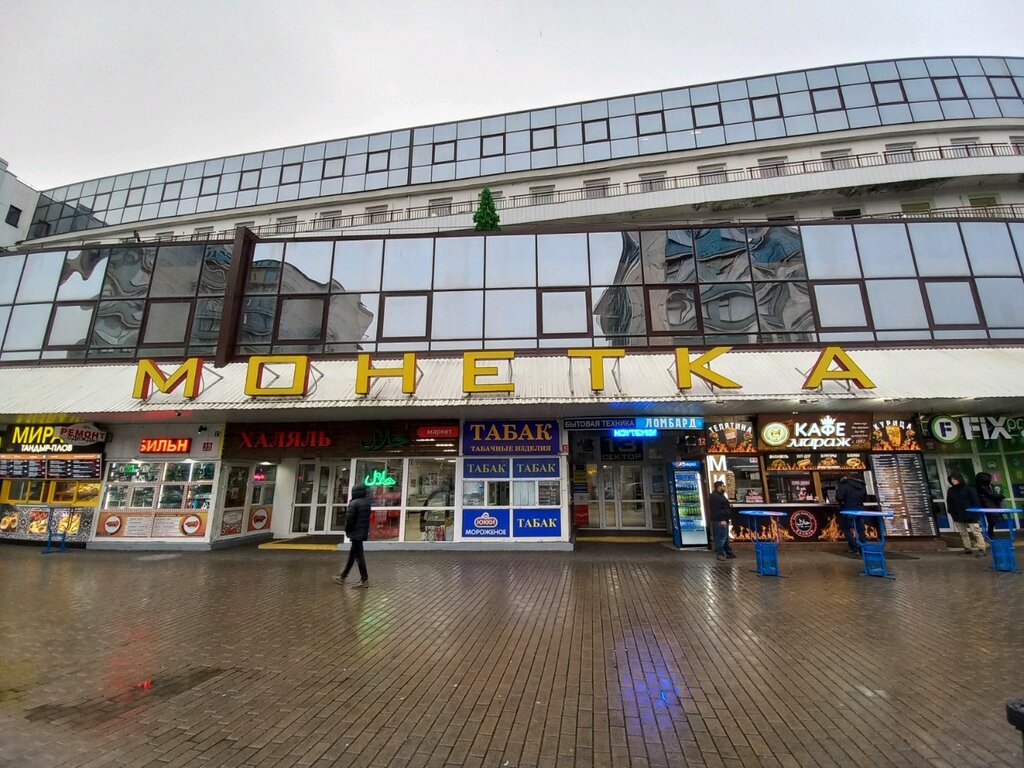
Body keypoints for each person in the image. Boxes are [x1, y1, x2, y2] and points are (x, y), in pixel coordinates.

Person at [333, 484, 371, 588]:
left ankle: (364, 580)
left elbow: (349, 520)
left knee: (359, 556)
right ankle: (343, 576)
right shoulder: (366, 502)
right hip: (361, 532)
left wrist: (348, 530)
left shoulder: (354, 503)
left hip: (355, 533)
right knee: (352, 555)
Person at [945, 474, 984, 556]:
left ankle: (982, 548)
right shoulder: (951, 490)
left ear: (959, 479)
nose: (953, 481)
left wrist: (975, 511)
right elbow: (949, 502)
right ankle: (967, 547)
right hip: (958, 515)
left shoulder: (969, 489)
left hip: (971, 514)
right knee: (963, 533)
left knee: (976, 532)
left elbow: (976, 501)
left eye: (954, 479)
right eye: (951, 479)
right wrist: (951, 512)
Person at [835, 475, 867, 555]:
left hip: (848, 509)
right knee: (860, 529)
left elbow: (839, 497)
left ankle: (854, 547)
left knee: (846, 528)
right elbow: (865, 498)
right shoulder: (861, 485)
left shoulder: (844, 484)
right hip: (860, 509)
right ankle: (863, 547)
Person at [708, 481, 735, 561]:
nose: (724, 487)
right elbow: (717, 510)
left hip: (722, 519)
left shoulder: (719, 495)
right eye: (723, 486)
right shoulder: (715, 497)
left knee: (725, 537)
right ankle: (720, 554)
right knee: (721, 538)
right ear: (719, 487)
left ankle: (728, 552)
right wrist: (722, 519)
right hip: (719, 520)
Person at [974, 471, 1005, 540]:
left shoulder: (988, 486)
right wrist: (1001, 496)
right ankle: (989, 535)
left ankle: (989, 534)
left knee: (991, 521)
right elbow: (991, 494)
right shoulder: (982, 486)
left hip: (990, 505)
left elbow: (992, 494)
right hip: (987, 505)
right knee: (991, 520)